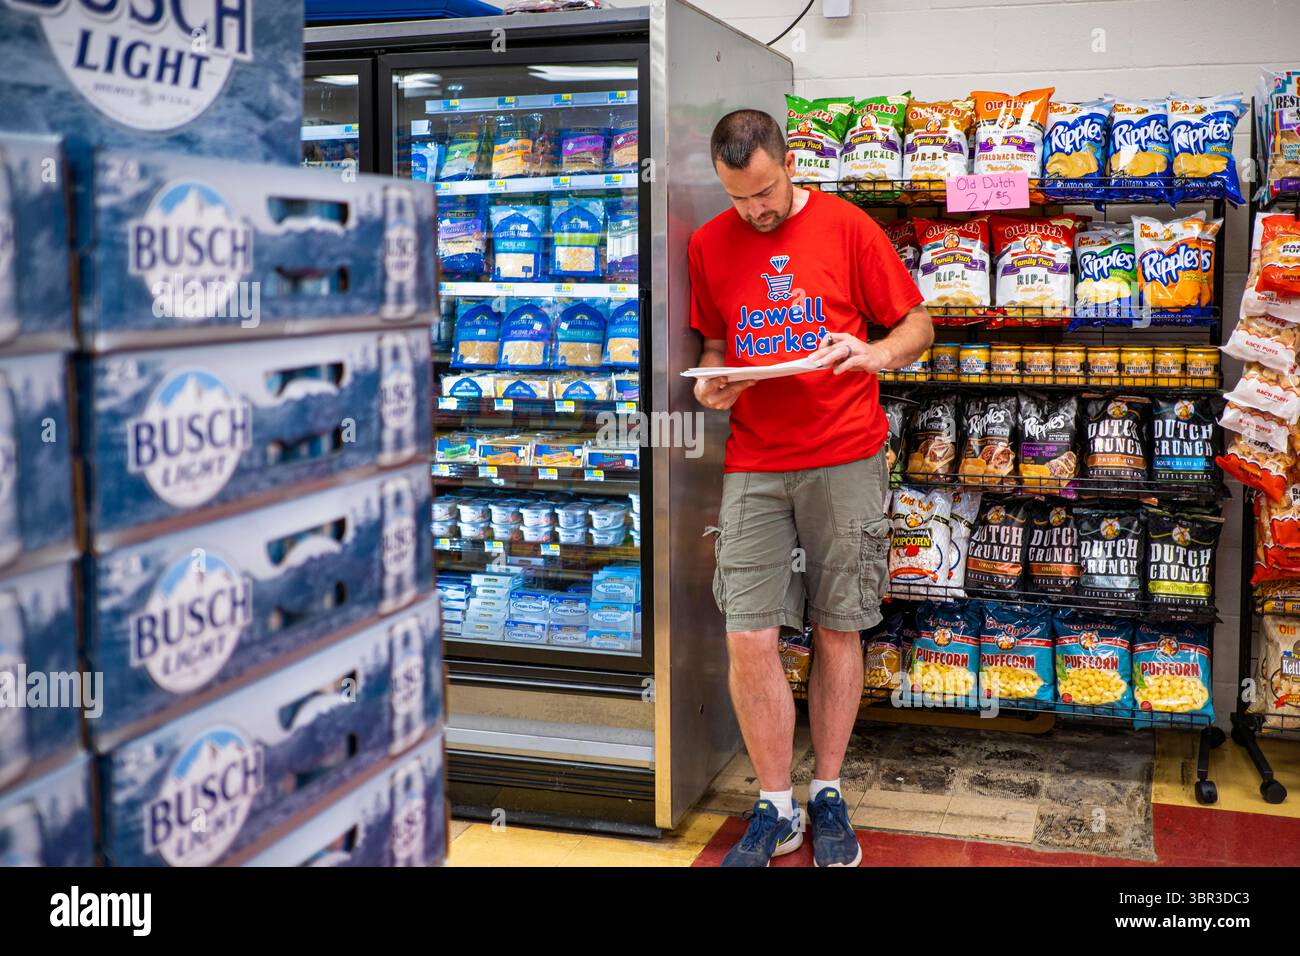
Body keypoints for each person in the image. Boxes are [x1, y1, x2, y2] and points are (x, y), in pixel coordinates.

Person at [689, 109, 933, 867]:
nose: (754, 211)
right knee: (749, 633)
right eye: (738, 199)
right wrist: (715, 383)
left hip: (844, 456)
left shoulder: (850, 227)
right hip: (755, 463)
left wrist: (875, 354)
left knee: (838, 625)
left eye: (764, 192)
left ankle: (827, 791)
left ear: (788, 162)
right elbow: (715, 341)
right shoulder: (708, 244)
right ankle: (773, 805)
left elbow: (918, 326)